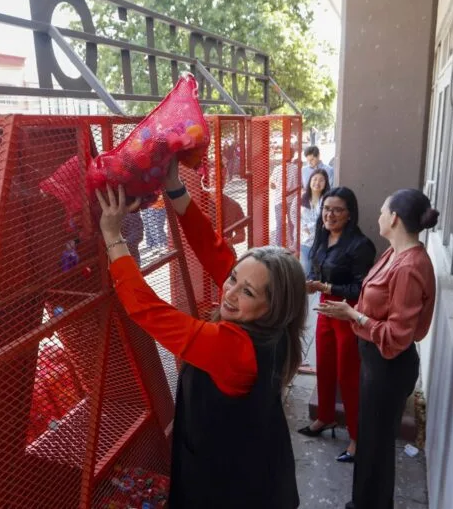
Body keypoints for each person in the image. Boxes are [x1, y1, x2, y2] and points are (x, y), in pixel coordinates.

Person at [95, 160, 305, 508]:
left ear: (273, 305)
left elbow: (148, 310)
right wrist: (175, 187)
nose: (230, 293)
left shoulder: (233, 348)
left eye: (247, 291)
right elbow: (213, 249)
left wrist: (113, 237)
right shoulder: (276, 326)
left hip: (229, 487)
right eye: (234, 278)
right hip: (261, 469)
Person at [316, 189, 438, 509]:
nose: (379, 216)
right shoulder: (393, 253)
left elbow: (397, 335)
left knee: (376, 449)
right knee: (371, 443)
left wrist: (353, 315)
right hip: (375, 360)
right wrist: (353, 313)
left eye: (383, 211)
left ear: (394, 218)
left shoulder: (409, 266)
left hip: (389, 365)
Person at [299, 187, 376, 464]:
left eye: (337, 210)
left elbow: (362, 288)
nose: (330, 215)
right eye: (326, 209)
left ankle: (356, 437)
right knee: (324, 367)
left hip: (347, 312)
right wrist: (312, 282)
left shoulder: (360, 245)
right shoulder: (322, 236)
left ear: (350, 214)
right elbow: (315, 267)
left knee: (349, 376)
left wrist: (327, 287)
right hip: (325, 309)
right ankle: (325, 417)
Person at [299, 168, 331, 274]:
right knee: (306, 272)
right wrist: (306, 228)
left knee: (321, 272)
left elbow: (327, 221)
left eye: (321, 180)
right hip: (305, 242)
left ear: (326, 183)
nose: (317, 183)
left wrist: (309, 228)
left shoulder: (327, 200)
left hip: (323, 242)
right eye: (315, 179)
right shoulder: (301, 199)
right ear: (310, 181)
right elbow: (295, 218)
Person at [269, 151, 300, 247]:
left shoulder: (277, 169)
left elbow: (272, 185)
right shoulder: (296, 169)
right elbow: (300, 184)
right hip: (292, 200)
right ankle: (293, 245)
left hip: (279, 200)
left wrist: (279, 186)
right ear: (292, 156)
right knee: (293, 224)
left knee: (279, 225)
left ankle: (279, 246)